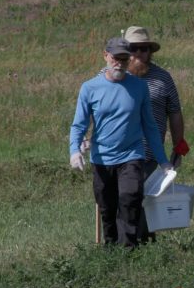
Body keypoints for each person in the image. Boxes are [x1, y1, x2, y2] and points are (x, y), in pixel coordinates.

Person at [69, 37, 171, 248]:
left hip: (132, 154)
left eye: (124, 59)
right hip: (102, 157)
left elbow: (150, 126)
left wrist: (163, 160)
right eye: (116, 58)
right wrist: (74, 151)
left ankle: (128, 249)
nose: (120, 64)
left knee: (130, 196)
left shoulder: (139, 87)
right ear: (105, 56)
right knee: (107, 206)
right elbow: (79, 124)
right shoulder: (90, 88)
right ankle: (111, 248)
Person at [123, 25, 189, 243]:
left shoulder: (163, 78)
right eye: (134, 49)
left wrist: (178, 147)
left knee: (147, 202)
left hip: (152, 153)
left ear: (150, 51)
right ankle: (122, 245)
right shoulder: (115, 77)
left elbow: (175, 113)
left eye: (144, 49)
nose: (139, 54)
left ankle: (145, 244)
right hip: (120, 153)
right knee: (125, 200)